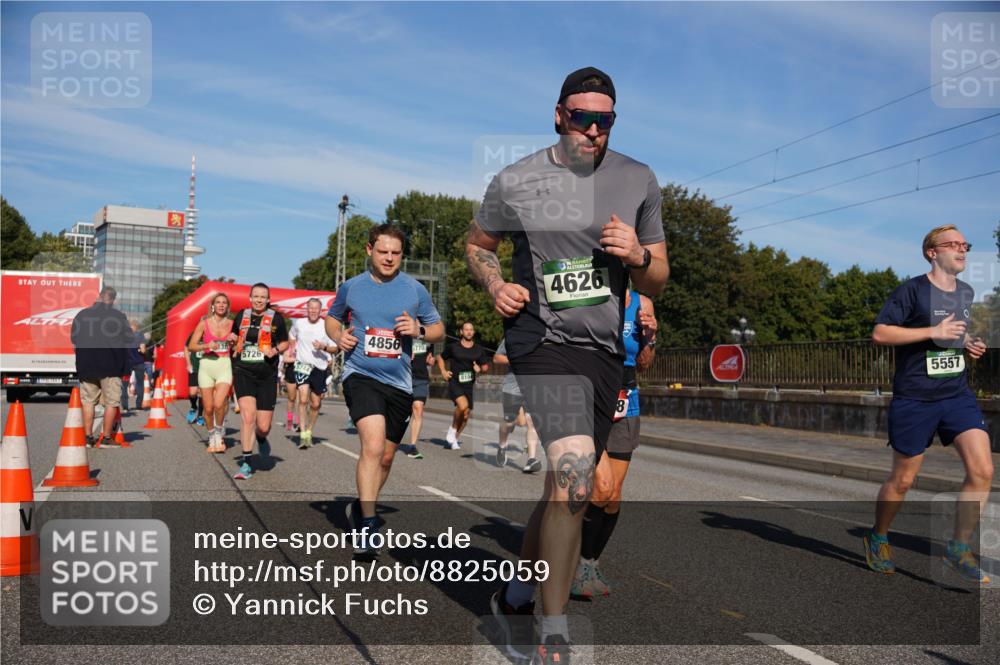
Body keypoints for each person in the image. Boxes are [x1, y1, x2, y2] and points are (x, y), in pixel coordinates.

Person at [466, 66, 668, 662]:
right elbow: (479, 245)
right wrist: (495, 285)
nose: (593, 130)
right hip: (539, 338)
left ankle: (524, 585)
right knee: (577, 472)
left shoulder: (638, 179)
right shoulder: (518, 178)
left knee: (562, 484)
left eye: (604, 121)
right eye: (582, 118)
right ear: (559, 115)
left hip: (604, 350)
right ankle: (552, 636)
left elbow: (658, 272)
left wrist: (636, 254)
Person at [864, 224, 992, 583]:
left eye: (965, 244)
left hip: (956, 395)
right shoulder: (912, 291)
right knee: (902, 481)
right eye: (952, 244)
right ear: (931, 252)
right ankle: (878, 536)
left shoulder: (965, 293)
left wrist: (968, 344)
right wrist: (931, 333)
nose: (961, 249)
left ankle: (958, 547)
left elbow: (954, 333)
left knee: (982, 470)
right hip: (915, 398)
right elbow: (881, 333)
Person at [325, 224, 444, 556]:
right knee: (373, 447)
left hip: (400, 383)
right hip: (360, 374)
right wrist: (339, 337)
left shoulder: (415, 290)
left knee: (387, 457)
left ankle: (360, 506)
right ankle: (367, 524)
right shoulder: (351, 288)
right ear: (369, 250)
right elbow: (332, 319)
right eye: (383, 251)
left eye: (396, 253)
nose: (389, 258)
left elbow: (438, 329)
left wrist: (419, 329)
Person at [572, 289, 656, 599]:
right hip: (590, 400)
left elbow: (645, 362)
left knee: (614, 496)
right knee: (599, 488)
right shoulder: (588, 294)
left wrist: (649, 338)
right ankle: (574, 560)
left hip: (626, 402)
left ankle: (590, 563)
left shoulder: (642, 303)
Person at [231, 283, 289, 480]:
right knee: (248, 417)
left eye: (263, 297)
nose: (259, 300)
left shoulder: (276, 319)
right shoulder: (241, 315)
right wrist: (231, 339)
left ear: (268, 299)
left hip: (266, 374)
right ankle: (247, 462)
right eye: (255, 296)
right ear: (250, 298)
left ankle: (262, 438)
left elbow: (284, 342)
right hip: (243, 370)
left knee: (263, 426)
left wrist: (274, 350)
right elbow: (234, 334)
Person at [71, 286, 134, 448]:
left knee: (88, 402)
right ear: (113, 300)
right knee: (112, 402)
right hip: (111, 366)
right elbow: (129, 337)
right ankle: (106, 438)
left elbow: (74, 338)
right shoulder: (117, 316)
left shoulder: (82, 315)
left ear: (99, 296)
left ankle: (87, 437)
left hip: (87, 365)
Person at [188, 293, 234, 453]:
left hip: (224, 365)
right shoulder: (204, 323)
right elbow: (192, 346)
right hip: (207, 366)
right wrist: (207, 345)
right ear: (212, 305)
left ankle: (219, 433)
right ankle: (211, 434)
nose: (221, 305)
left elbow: (239, 346)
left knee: (219, 403)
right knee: (208, 408)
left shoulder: (232, 324)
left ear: (227, 307)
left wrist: (236, 341)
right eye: (218, 302)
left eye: (224, 303)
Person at [290, 298, 338, 448]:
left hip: (320, 368)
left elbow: (335, 348)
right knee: (303, 399)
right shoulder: (299, 323)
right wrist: (294, 349)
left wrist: (323, 347)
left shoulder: (325, 326)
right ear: (307, 308)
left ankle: (310, 430)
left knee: (316, 404)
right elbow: (292, 337)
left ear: (320, 310)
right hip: (303, 365)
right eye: (310, 308)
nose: (313, 311)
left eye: (316, 308)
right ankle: (303, 433)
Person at [437, 322, 490, 450]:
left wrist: (480, 369)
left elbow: (485, 366)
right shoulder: (453, 347)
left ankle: (455, 438)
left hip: (469, 385)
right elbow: (440, 357)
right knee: (463, 405)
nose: (469, 332)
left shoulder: (478, 349)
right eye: (466, 329)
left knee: (466, 415)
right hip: (455, 381)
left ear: (474, 332)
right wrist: (443, 371)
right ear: (461, 332)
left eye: (471, 329)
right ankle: (452, 429)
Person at [494, 340, 541, 472]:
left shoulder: (543, 337)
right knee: (511, 421)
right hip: (512, 387)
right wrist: (516, 360)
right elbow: (497, 358)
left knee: (532, 421)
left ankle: (531, 459)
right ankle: (502, 446)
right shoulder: (512, 336)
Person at [406, 337, 436, 459]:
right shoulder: (403, 334)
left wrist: (430, 360)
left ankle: (412, 446)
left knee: (418, 408)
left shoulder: (428, 338)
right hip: (403, 376)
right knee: (400, 412)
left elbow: (430, 358)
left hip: (421, 378)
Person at [121, 320, 147, 412]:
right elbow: (143, 350)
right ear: (136, 327)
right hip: (139, 362)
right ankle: (138, 405)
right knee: (140, 383)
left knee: (124, 385)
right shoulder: (140, 335)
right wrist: (142, 350)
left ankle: (125, 407)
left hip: (126, 363)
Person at [185, 330, 205, 426]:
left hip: (206, 368)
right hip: (195, 367)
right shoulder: (194, 334)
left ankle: (200, 416)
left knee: (202, 393)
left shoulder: (212, 333)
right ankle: (193, 407)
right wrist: (188, 364)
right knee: (192, 392)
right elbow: (186, 349)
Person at [281, 341, 299, 432]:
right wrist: (297, 359)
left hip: (304, 372)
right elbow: (285, 358)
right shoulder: (291, 344)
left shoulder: (307, 342)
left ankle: (299, 422)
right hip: (291, 372)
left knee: (302, 400)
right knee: (292, 398)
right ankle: (290, 421)